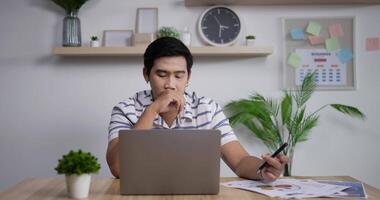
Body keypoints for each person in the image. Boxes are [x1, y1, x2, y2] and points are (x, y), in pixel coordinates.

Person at [106, 37, 288, 182]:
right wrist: (151, 111)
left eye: (179, 75)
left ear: (189, 76)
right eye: (161, 75)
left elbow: (240, 161)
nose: (170, 85)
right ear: (146, 74)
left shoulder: (207, 109)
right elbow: (118, 168)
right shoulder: (125, 109)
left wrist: (263, 170)